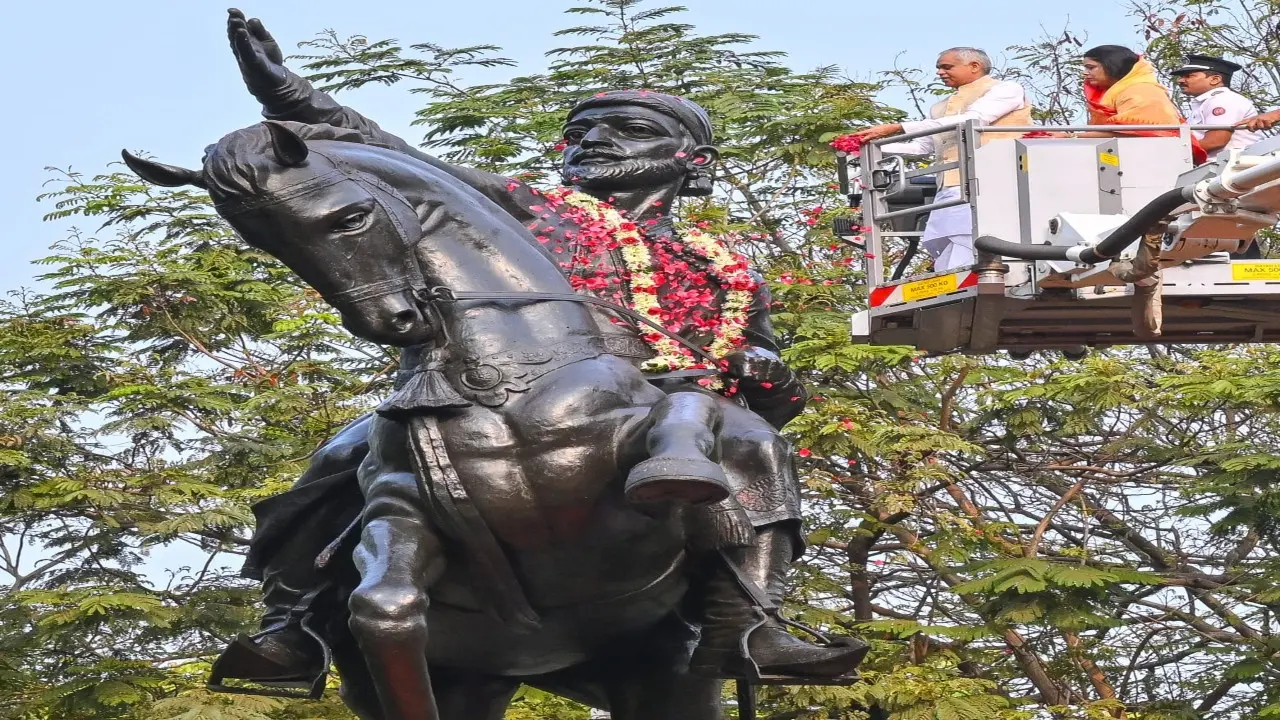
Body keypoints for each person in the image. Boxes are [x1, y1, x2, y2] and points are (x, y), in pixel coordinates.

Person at [210, 9, 868, 690]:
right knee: (341, 456)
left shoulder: (724, 264)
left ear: (693, 163)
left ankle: (752, 626)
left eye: (630, 129)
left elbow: (777, 394)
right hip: (510, 382)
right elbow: (393, 155)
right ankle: (296, 624)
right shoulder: (524, 212)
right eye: (579, 132)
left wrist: (764, 371)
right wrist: (286, 94)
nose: (596, 140)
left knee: (758, 442)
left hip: (677, 404)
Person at [846, 47, 1033, 272]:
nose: (940, 73)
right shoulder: (940, 107)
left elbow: (972, 119)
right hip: (949, 183)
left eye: (947, 67)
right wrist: (868, 146)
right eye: (938, 68)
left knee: (971, 239)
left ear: (974, 66)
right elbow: (923, 146)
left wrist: (897, 127)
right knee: (945, 241)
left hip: (992, 180)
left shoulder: (1005, 89)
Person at [1049, 45, 1208, 164]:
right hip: (1128, 160)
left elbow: (1136, 132)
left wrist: (1071, 136)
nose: (1085, 73)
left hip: (1152, 162)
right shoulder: (1119, 91)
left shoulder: (1142, 90)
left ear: (1112, 65)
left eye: (1091, 67)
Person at [1171, 53, 1262, 162]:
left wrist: (1171, 153)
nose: (1180, 81)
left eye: (1189, 76)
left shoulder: (1224, 99)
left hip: (1231, 169)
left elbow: (1216, 141)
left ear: (1215, 79)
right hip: (1217, 170)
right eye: (1181, 77)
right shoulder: (1208, 102)